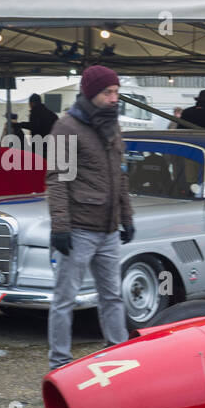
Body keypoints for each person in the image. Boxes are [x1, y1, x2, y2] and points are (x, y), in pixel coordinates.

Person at [46, 65, 134, 371]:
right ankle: (59, 362)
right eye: (108, 93)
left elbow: (119, 176)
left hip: (108, 229)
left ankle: (119, 354)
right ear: (90, 93)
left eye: (116, 92)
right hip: (80, 229)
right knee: (64, 299)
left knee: (112, 296)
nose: (114, 98)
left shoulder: (111, 125)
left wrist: (127, 217)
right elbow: (57, 179)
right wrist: (60, 227)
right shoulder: (67, 128)